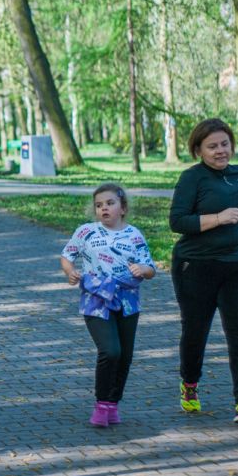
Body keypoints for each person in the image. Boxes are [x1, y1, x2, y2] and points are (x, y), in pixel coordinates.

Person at [60, 183, 156, 427]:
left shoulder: (134, 235)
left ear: (122, 208)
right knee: (110, 351)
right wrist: (70, 271)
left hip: (127, 301)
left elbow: (150, 268)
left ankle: (113, 404)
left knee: (124, 356)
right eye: (99, 205)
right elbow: (67, 255)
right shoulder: (86, 232)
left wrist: (142, 269)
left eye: (110, 203)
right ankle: (101, 403)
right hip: (96, 300)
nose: (104, 208)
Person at [169, 118, 238, 424]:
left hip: (236, 266)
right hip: (195, 267)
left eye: (225, 144)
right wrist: (218, 218)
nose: (220, 151)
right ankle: (189, 385)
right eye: (212, 146)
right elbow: (178, 222)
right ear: (198, 149)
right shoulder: (192, 178)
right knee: (196, 332)